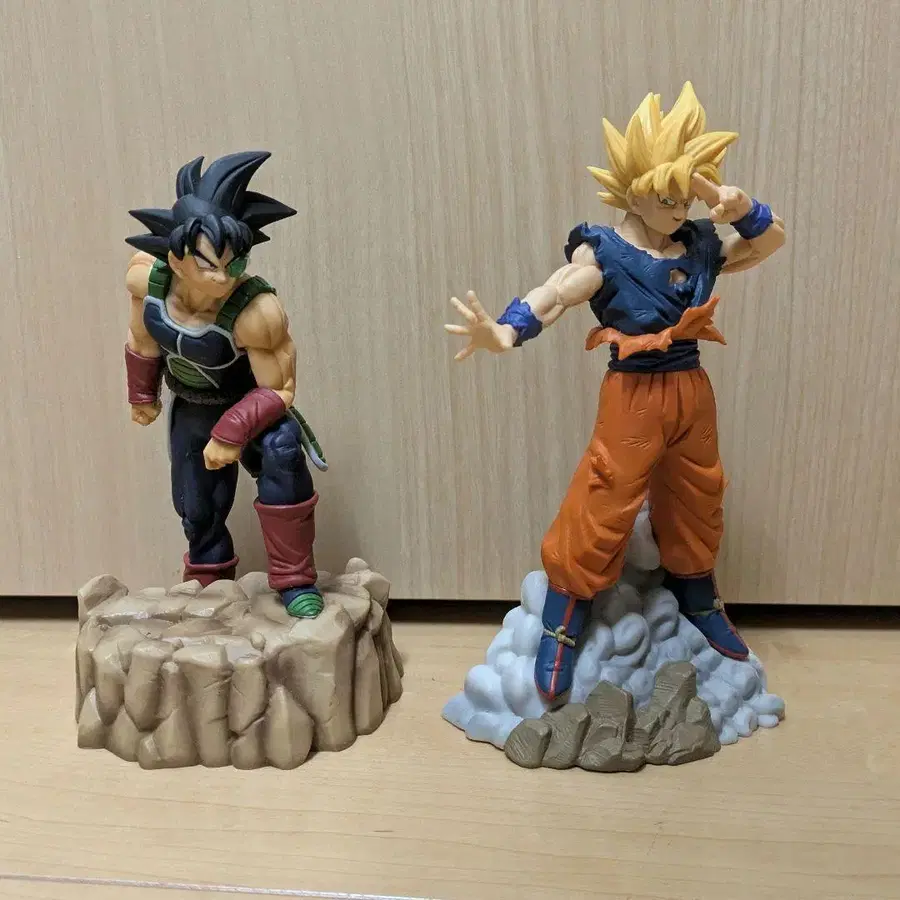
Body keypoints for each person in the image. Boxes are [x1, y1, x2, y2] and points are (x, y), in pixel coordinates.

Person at [445, 83, 786, 702]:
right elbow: (559, 291)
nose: (680, 210)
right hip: (633, 394)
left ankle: (697, 593)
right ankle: (564, 614)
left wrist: (740, 206)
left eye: (689, 197)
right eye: (667, 197)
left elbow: (768, 242)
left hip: (692, 388)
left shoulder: (700, 243)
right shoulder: (604, 250)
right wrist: (506, 330)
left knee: (699, 491)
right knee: (604, 497)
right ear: (634, 191)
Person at [123, 151, 327, 617]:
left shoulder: (257, 311)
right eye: (210, 263)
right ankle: (209, 575)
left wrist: (234, 430)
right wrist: (142, 392)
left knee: (283, 456)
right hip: (193, 405)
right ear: (176, 257)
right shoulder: (146, 281)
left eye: (235, 264)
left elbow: (279, 389)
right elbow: (142, 338)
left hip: (253, 407)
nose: (223, 276)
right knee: (195, 502)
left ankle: (295, 580)